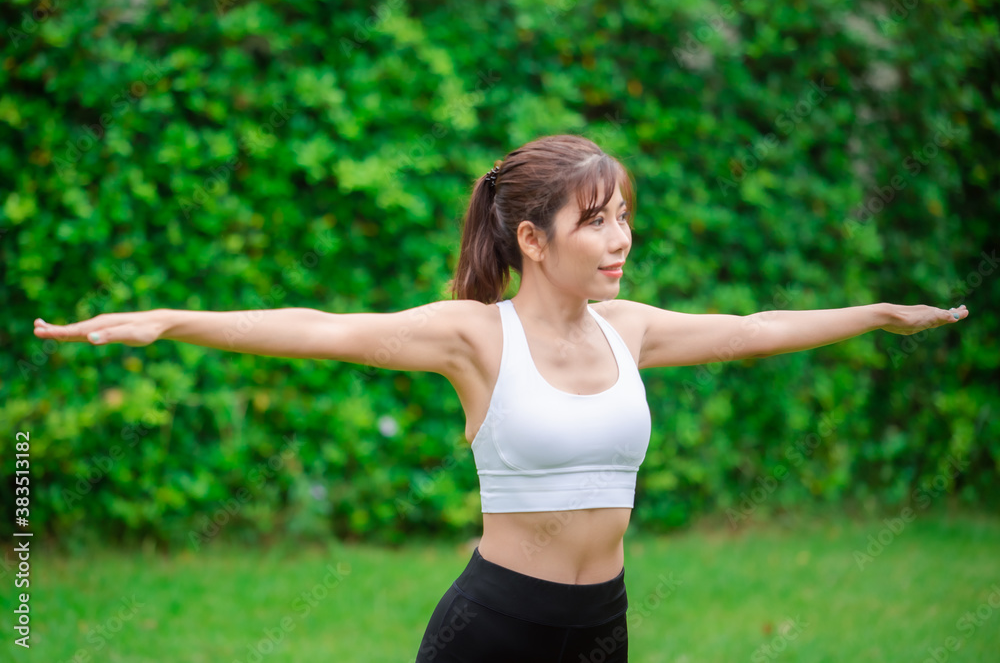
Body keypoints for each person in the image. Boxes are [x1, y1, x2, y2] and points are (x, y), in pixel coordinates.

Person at [33, 134, 968, 662]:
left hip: (605, 627)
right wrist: (172, 319)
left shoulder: (629, 329)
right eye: (595, 221)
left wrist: (878, 312)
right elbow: (322, 326)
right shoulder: (477, 336)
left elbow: (757, 327)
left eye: (625, 217)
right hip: (495, 633)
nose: (620, 240)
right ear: (531, 237)